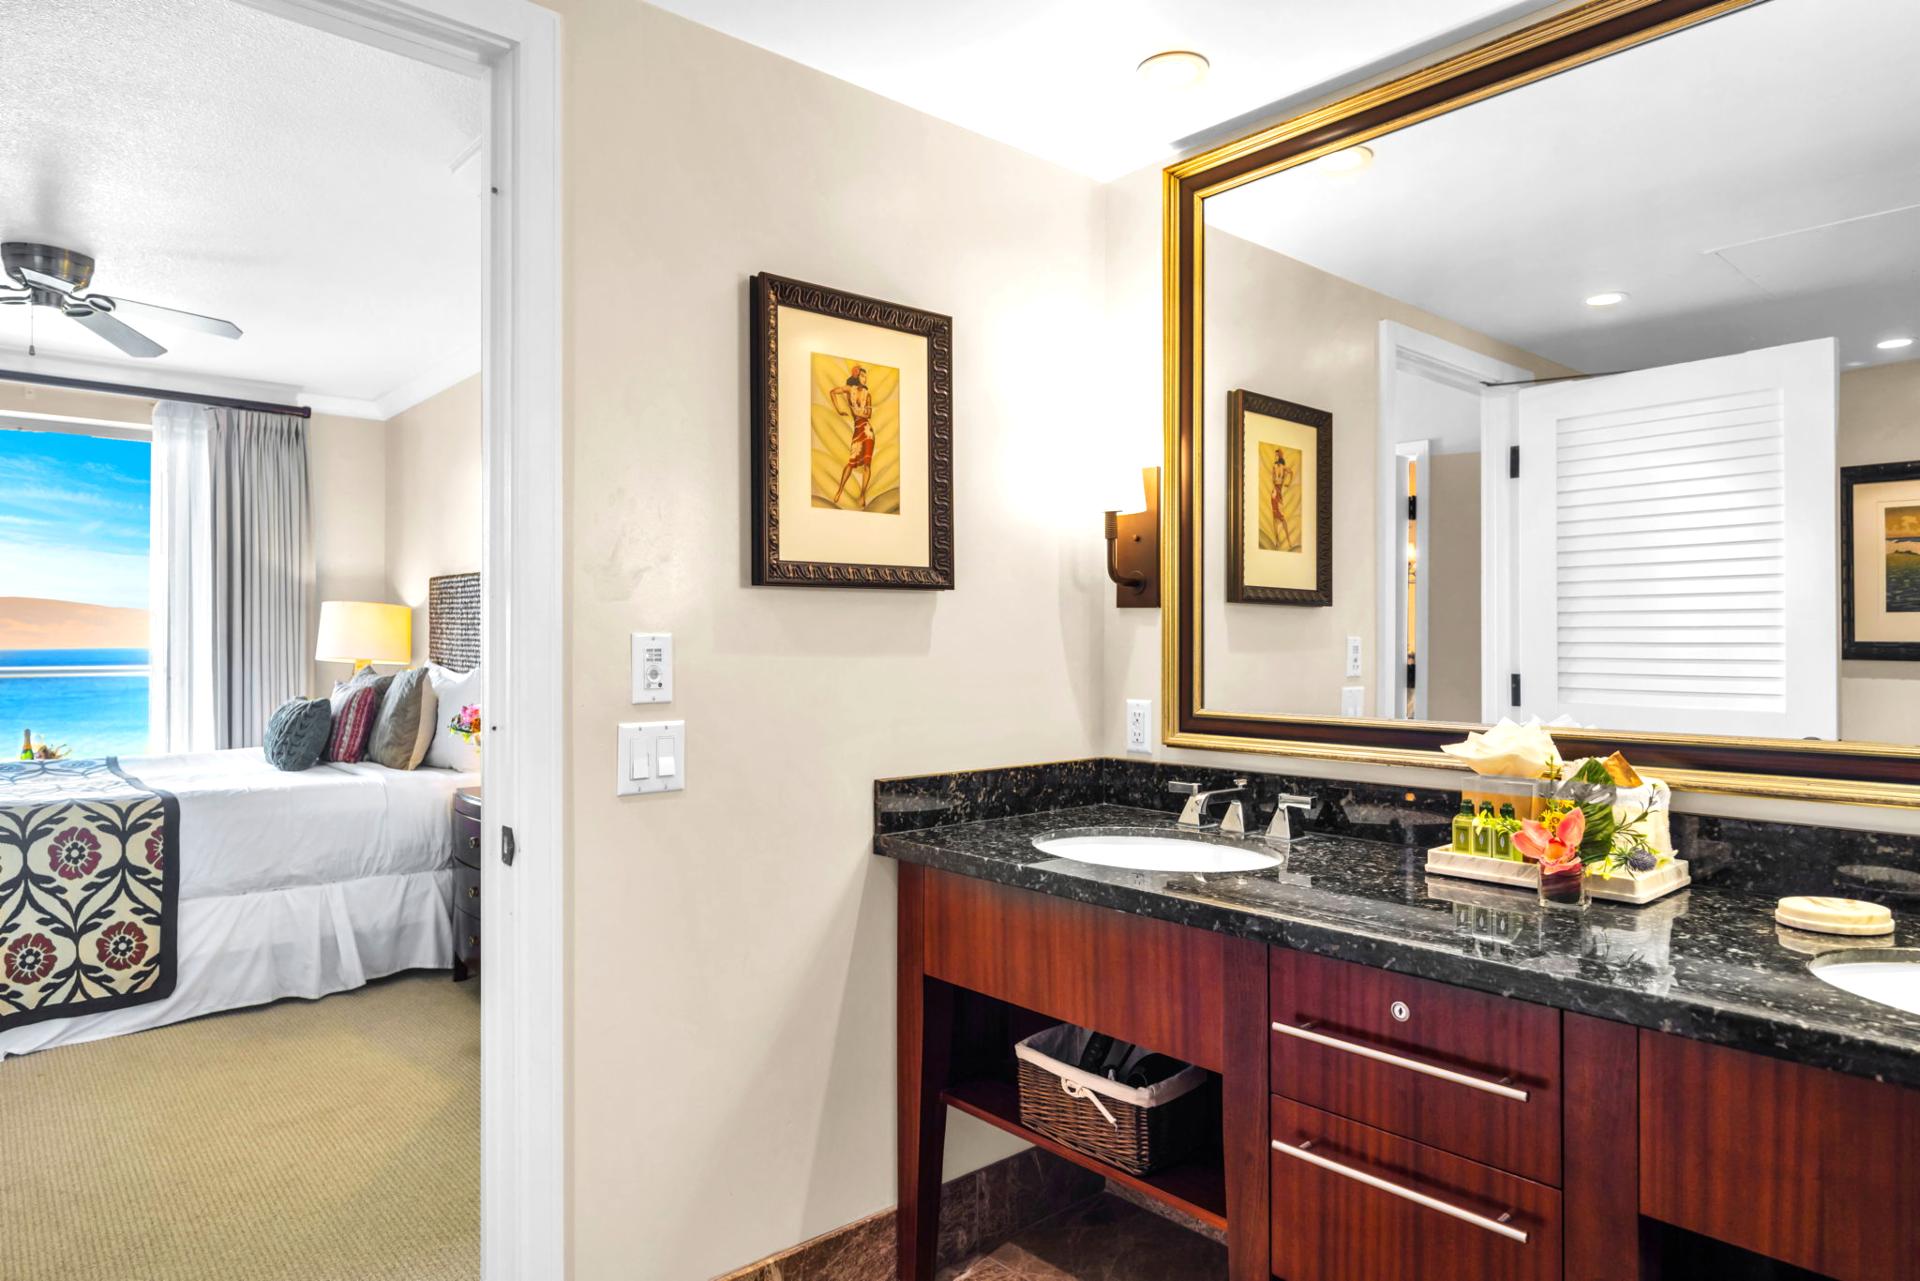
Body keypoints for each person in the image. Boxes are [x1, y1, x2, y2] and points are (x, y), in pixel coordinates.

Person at [828, 364, 875, 508]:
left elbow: (869, 414)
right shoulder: (850, 390)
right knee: (851, 463)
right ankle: (840, 490)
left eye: (865, 376)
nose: (864, 378)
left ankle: (862, 495)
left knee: (867, 464)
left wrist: (858, 411)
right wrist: (838, 410)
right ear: (856, 377)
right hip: (857, 430)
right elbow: (832, 392)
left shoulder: (868, 395)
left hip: (867, 431)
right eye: (861, 375)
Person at [1269, 448, 1295, 550]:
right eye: (1275, 455)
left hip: (1278, 493)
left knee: (1282, 518)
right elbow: (1273, 480)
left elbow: (1291, 473)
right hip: (1274, 493)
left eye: (1277, 455)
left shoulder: (1284, 467)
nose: (1275, 457)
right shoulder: (1274, 467)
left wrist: (1288, 483)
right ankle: (1277, 541)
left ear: (1280, 455)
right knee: (1275, 518)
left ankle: (1288, 541)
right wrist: (1276, 488)